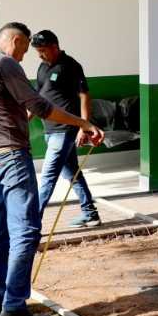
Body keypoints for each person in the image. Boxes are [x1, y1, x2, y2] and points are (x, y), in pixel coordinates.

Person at [0, 22, 102, 316]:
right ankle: (14, 308)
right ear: (15, 40)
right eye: (25, 49)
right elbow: (40, 106)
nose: (25, 56)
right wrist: (83, 123)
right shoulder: (6, 64)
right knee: (26, 230)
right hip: (11, 156)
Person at [32, 30, 101, 228]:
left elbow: (84, 96)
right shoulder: (42, 67)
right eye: (38, 51)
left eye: (43, 50)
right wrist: (22, 120)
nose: (40, 55)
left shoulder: (70, 66)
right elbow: (37, 99)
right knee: (72, 173)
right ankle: (90, 213)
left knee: (47, 177)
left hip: (65, 130)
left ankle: (31, 225)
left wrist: (83, 127)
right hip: (50, 130)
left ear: (54, 47)